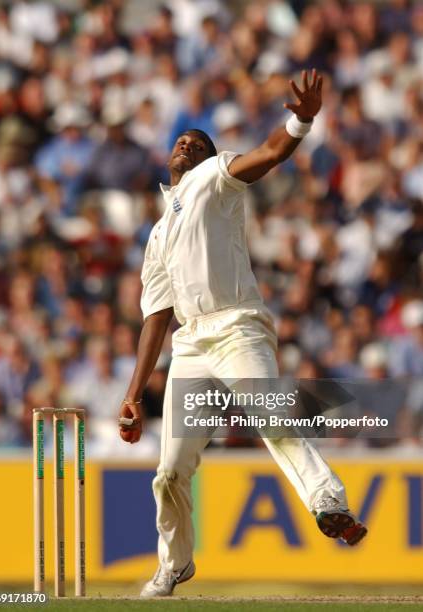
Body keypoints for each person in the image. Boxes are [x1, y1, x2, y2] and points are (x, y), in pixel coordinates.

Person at [118, 70, 367, 599]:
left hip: (236, 328)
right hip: (190, 344)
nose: (185, 144)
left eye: (197, 142)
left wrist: (300, 120)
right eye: (179, 141)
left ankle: (329, 503)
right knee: (168, 473)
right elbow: (156, 318)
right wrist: (134, 394)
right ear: (169, 159)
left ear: (209, 156)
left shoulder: (216, 176)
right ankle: (173, 566)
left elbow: (271, 153)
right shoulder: (158, 234)